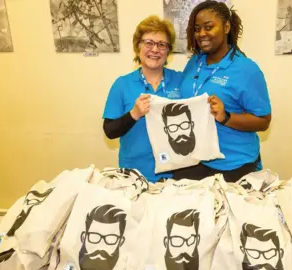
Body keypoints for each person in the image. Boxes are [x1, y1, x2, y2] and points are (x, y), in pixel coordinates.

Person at [173, 1, 272, 182]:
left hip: (235, 166)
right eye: (197, 29)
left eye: (209, 27)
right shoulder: (194, 62)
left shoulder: (246, 70)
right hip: (195, 161)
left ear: (226, 27)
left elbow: (263, 121)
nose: (201, 34)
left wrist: (226, 117)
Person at [103, 15, 183, 183]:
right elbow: (109, 131)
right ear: (137, 47)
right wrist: (134, 113)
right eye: (148, 43)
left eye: (162, 44)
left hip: (174, 175)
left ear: (168, 51)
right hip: (133, 175)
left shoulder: (182, 81)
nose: (155, 50)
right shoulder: (122, 84)